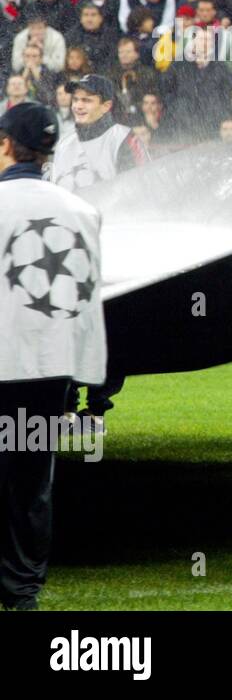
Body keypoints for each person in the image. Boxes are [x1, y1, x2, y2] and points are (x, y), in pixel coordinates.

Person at [0, 102, 107, 610]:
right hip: (48, 370)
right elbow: (85, 298)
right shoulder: (83, 211)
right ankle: (22, 590)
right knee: (32, 481)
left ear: (5, 145)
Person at [48, 74, 146, 430]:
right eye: (76, 98)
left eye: (88, 99)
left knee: (109, 331)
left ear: (107, 105)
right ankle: (65, 406)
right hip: (66, 256)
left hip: (111, 252)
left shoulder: (124, 139)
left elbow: (143, 191)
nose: (79, 104)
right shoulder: (64, 144)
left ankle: (96, 409)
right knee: (63, 331)